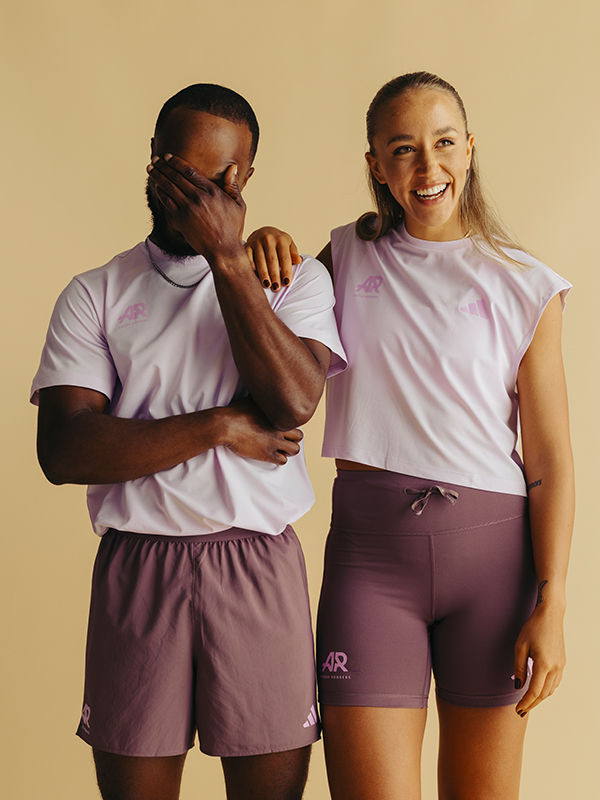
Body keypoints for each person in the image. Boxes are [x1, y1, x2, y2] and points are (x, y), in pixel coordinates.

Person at [247, 71, 574, 800]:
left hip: (496, 572)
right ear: (375, 165)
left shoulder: (526, 283)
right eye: (403, 150)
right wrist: (265, 245)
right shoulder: (341, 258)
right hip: (371, 568)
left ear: (469, 149)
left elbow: (550, 460)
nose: (429, 169)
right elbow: (273, 342)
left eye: (444, 143)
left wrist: (552, 603)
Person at [30, 83, 346, 800]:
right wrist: (219, 427)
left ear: (243, 180)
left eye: (219, 178)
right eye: (183, 171)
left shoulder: (290, 279)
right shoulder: (96, 292)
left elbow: (295, 399)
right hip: (140, 565)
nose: (198, 193)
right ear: (153, 164)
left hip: (256, 562)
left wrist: (229, 257)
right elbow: (67, 451)